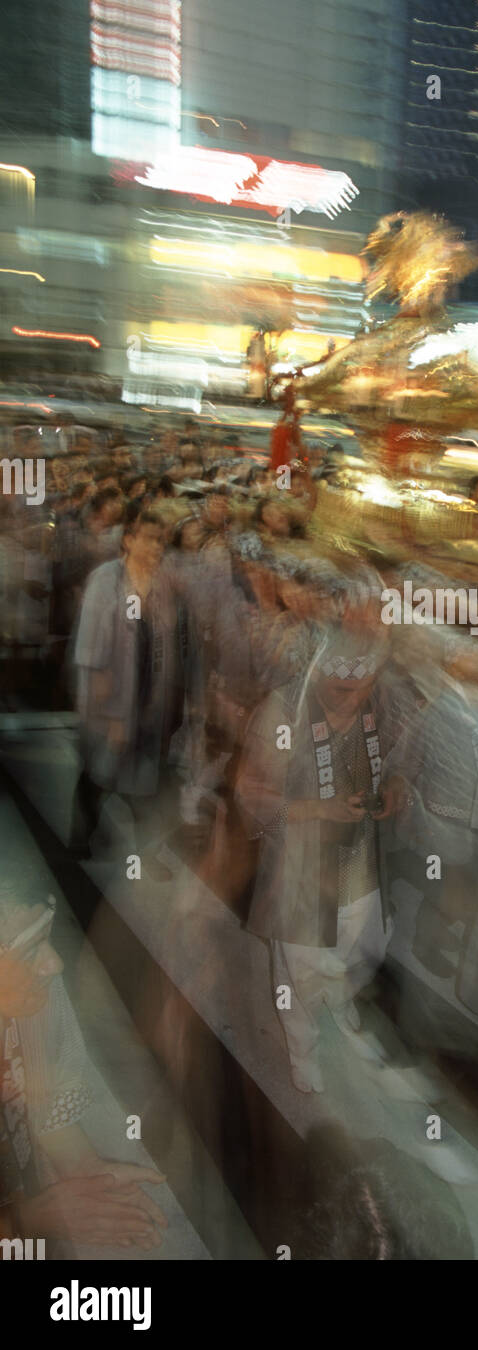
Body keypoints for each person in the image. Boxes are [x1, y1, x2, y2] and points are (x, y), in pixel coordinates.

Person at [235, 623, 413, 1093]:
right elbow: (253, 806)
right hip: (300, 873)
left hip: (363, 863)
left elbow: (400, 760)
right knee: (299, 973)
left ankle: (341, 995)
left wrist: (394, 790)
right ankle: (303, 1049)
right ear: (317, 675)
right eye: (340, 689)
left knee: (367, 945)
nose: (352, 699)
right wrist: (318, 810)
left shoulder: (382, 703)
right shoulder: (283, 712)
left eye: (364, 687)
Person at [0, 889, 167, 1252]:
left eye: (47, 938)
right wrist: (22, 1221)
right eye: (30, 951)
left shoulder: (34, 994)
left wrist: (84, 1168)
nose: (55, 963)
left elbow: (48, 1096)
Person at [71, 511, 181, 875]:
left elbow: (167, 643)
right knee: (99, 775)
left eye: (161, 540)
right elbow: (93, 650)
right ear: (128, 539)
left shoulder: (161, 584)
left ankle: (143, 851)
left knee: (143, 782)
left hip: (148, 702)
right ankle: (81, 839)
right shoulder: (106, 581)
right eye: (148, 538)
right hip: (112, 702)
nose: (156, 547)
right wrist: (113, 715)